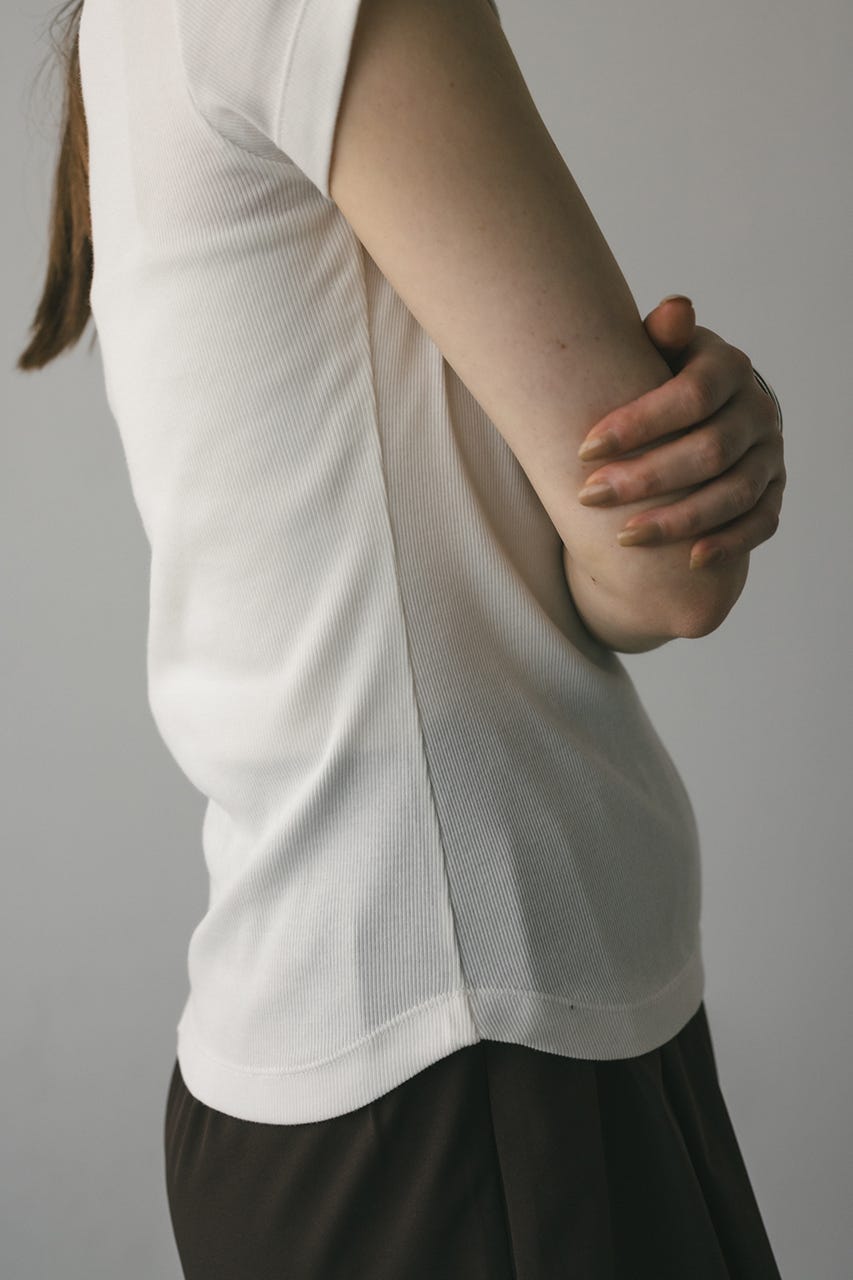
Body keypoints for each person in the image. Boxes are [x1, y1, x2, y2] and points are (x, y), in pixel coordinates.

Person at [18, 0, 787, 1275]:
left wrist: (699, 469)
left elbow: (616, 576)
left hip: (416, 1062)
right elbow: (667, 581)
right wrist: (704, 478)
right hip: (472, 1058)